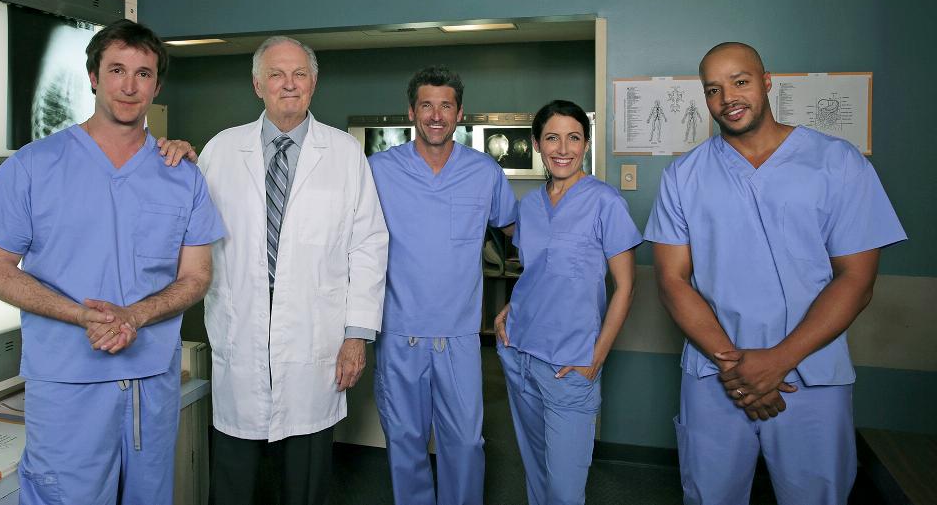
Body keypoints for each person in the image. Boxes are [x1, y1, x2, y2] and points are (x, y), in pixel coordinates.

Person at [0, 19, 224, 504]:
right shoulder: (35, 165)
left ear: (157, 86)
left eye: (143, 74)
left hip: (149, 383)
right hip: (67, 381)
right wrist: (81, 315)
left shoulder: (182, 175)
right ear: (94, 77)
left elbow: (197, 275)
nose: (129, 86)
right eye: (117, 70)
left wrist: (135, 315)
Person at [645, 42, 906, 505]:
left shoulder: (837, 163)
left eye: (740, 82)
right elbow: (671, 280)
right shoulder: (683, 175)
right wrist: (737, 368)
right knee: (710, 496)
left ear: (766, 83)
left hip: (811, 372)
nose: (728, 98)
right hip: (716, 372)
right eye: (713, 89)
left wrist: (778, 360)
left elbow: (857, 279)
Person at [195, 36, 388, 504]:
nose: (289, 84)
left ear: (313, 84)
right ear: (257, 85)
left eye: (299, 74)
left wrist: (356, 336)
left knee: (307, 475)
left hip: (313, 338)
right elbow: (189, 231)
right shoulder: (221, 151)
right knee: (233, 474)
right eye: (277, 74)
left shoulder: (344, 153)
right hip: (241, 331)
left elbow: (368, 245)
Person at [368, 66, 517, 505]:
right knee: (405, 443)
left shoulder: (484, 172)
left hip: (459, 335)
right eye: (427, 105)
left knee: (466, 443)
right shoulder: (378, 170)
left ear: (460, 113)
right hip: (399, 331)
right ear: (411, 111)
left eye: (446, 106)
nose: (436, 115)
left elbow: (518, 232)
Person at [493, 100, 641, 505]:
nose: (563, 149)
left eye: (573, 138)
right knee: (536, 474)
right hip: (519, 352)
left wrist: (596, 358)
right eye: (552, 138)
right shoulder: (529, 206)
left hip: (571, 364)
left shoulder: (605, 202)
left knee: (564, 490)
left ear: (586, 144)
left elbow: (626, 287)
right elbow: (538, 273)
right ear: (536, 144)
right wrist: (510, 309)